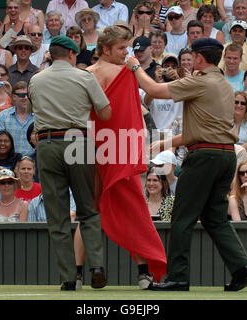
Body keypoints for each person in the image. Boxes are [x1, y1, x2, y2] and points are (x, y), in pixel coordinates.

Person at [127, 37, 247, 291]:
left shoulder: (199, 81)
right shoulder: (226, 86)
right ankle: (242, 267)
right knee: (214, 218)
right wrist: (165, 143)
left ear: (198, 58)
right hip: (226, 155)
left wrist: (134, 66)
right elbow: (201, 131)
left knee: (182, 217)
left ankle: (178, 277)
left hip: (204, 157)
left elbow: (153, 90)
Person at [28, 35, 110, 290]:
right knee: (87, 208)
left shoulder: (35, 79)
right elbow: (106, 112)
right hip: (78, 141)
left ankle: (68, 277)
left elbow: (33, 109)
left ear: (52, 54)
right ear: (73, 55)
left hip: (47, 142)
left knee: (58, 215)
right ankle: (96, 265)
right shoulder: (84, 77)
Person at [88, 26, 168, 289]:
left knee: (88, 215)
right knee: (135, 211)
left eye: (128, 48)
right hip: (119, 152)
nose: (127, 53)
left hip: (93, 150)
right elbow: (149, 96)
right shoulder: (126, 72)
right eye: (122, 48)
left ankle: (75, 277)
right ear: (106, 49)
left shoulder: (85, 75)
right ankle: (144, 272)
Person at [0, 81, 34, 157]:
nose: (25, 98)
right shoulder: (3, 116)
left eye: (27, 95)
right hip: (9, 160)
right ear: (14, 97)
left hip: (33, 161)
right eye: (22, 95)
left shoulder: (37, 116)